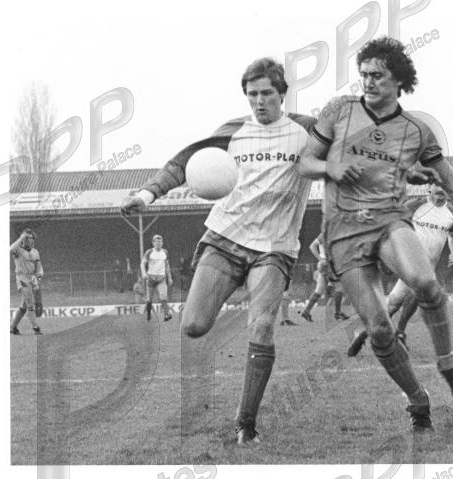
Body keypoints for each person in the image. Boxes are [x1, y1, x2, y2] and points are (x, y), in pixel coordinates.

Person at [298, 36, 453, 432]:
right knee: (379, 330)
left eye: (378, 75)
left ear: (399, 80)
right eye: (364, 74)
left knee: (425, 282)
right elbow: (305, 162)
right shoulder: (339, 110)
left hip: (389, 220)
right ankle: (417, 398)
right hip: (343, 232)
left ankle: (449, 364)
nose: (368, 82)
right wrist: (330, 168)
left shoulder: (416, 131)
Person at [121, 58, 320, 446]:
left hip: (275, 248)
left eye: (266, 93)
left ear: (282, 94)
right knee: (193, 325)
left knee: (262, 326)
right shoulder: (234, 131)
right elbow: (183, 161)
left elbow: (348, 143)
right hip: (226, 237)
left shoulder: (307, 130)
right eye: (252, 94)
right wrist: (146, 194)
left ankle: (246, 423)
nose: (259, 101)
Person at [346, 184, 453, 355]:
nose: (440, 194)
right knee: (421, 291)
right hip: (409, 259)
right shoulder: (415, 205)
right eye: (437, 191)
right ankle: (400, 333)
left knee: (393, 304)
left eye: (443, 190)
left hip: (428, 265)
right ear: (429, 189)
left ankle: (362, 333)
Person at [300, 234, 348, 322]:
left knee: (319, 290)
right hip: (329, 265)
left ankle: (306, 311)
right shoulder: (326, 233)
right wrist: (321, 259)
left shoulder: (330, 233)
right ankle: (338, 313)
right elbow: (312, 246)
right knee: (339, 288)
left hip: (326, 265)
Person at [10, 228, 43, 335]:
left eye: (31, 238)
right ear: (23, 239)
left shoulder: (35, 252)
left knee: (24, 307)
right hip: (22, 278)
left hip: (31, 279)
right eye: (27, 238)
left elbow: (39, 267)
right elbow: (10, 249)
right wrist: (21, 238)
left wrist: (38, 276)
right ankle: (36, 328)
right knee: (30, 303)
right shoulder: (18, 250)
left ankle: (12, 328)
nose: (29, 240)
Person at [140, 234, 174, 322]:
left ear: (162, 243)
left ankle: (166, 315)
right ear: (153, 243)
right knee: (149, 299)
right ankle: (148, 314)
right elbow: (143, 263)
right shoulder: (149, 252)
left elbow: (167, 266)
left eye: (160, 242)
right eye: (156, 242)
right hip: (151, 278)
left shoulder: (165, 252)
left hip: (161, 278)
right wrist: (144, 273)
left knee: (163, 297)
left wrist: (170, 277)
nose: (158, 243)